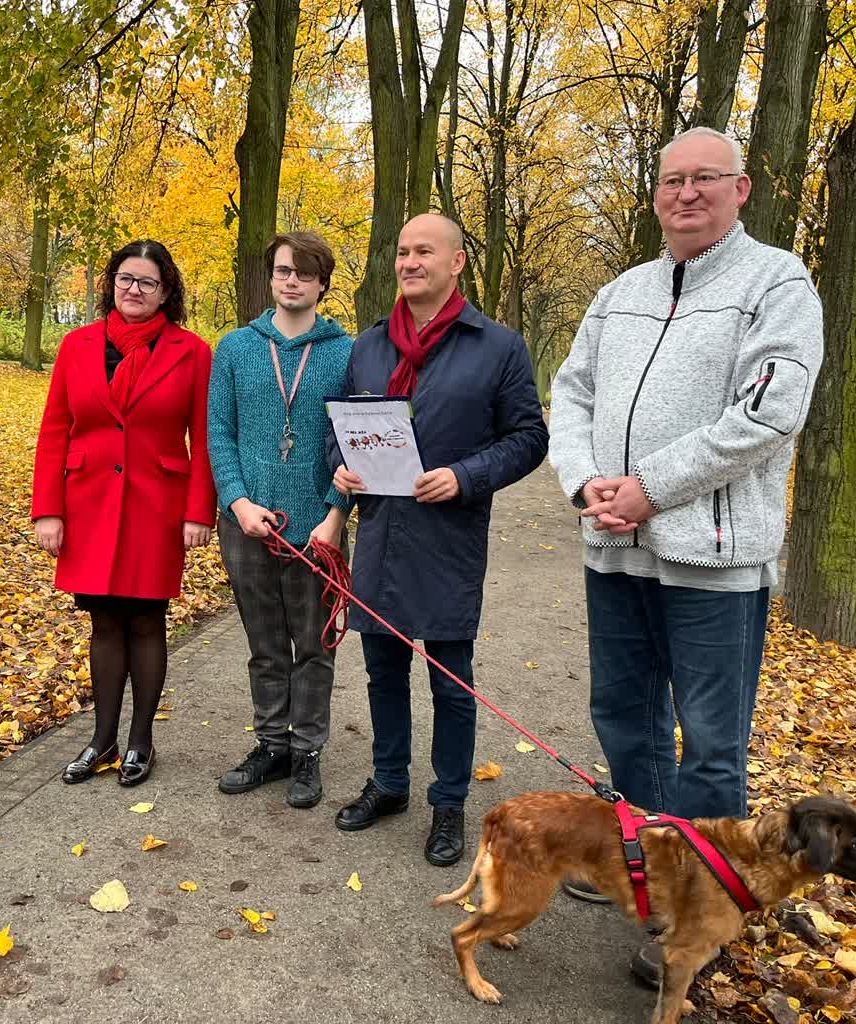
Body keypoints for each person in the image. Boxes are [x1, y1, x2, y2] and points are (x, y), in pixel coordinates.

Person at [548, 126, 824, 985]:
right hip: (616, 554)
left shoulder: (775, 281)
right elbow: (572, 389)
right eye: (672, 179)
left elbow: (769, 411)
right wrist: (586, 480)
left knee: (708, 744)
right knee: (624, 721)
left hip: (713, 565)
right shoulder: (622, 289)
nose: (686, 193)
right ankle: (646, 868)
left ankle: (702, 918)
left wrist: (652, 487)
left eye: (706, 178)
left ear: (740, 190)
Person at [329, 213, 548, 867]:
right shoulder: (368, 347)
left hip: (448, 538)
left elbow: (528, 438)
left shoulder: (497, 346)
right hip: (383, 537)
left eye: (423, 250)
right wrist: (342, 469)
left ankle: (448, 801)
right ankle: (389, 783)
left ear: (455, 262)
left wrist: (464, 475)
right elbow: (345, 426)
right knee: (381, 672)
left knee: (452, 682)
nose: (408, 261)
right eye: (401, 251)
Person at [31, 239, 216, 788]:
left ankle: (141, 742)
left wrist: (198, 511)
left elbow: (202, 440)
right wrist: (48, 510)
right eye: (125, 279)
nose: (134, 290)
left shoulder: (192, 352)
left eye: (147, 283)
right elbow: (55, 430)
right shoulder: (77, 346)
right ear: (112, 283)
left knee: (145, 621)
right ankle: (101, 739)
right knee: (103, 622)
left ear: (166, 293)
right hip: (87, 504)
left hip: (156, 505)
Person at [207, 232, 353, 810]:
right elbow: (220, 431)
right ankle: (271, 744)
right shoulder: (237, 348)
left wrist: (335, 515)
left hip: (317, 529)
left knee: (314, 647)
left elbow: (353, 440)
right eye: (281, 270)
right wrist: (238, 502)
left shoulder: (347, 353)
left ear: (322, 283)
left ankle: (307, 750)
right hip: (247, 525)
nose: (289, 280)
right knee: (265, 645)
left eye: (302, 272)